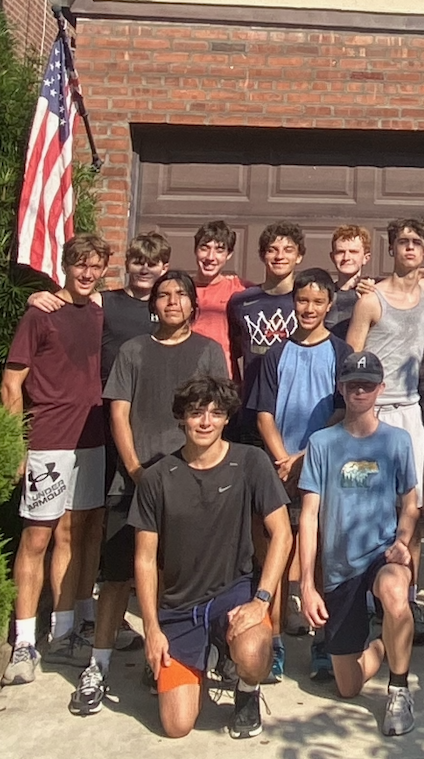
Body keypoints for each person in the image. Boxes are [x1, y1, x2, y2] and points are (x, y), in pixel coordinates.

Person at [73, 270, 228, 716]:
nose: (172, 301)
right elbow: (118, 415)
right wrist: (138, 471)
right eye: (164, 295)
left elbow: (218, 418)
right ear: (152, 304)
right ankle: (97, 668)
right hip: (134, 484)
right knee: (118, 577)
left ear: (194, 305)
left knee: (177, 578)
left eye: (181, 294)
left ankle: (170, 654)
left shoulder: (209, 352)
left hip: (190, 486)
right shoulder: (133, 351)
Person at [24, 229, 171, 653]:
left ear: (165, 268)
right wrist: (42, 295)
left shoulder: (168, 305)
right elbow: (72, 302)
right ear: (127, 265)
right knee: (83, 523)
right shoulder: (107, 302)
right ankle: (76, 615)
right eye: (138, 260)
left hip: (148, 427)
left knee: (116, 523)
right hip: (99, 423)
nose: (146, 269)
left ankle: (111, 611)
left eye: (155, 262)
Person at [131, 373, 289, 740]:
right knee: (177, 726)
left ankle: (247, 691)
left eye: (216, 414)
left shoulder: (250, 461)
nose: (205, 422)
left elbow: (282, 533)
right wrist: (151, 630)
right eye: (196, 413)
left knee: (252, 651)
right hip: (180, 604)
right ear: (181, 418)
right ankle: (208, 658)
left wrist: (261, 601)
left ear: (227, 419)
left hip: (232, 593)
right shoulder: (157, 478)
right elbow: (144, 559)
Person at [1, 234, 111, 685]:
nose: (86, 273)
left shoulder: (103, 312)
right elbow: (11, 384)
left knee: (76, 532)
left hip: (92, 439)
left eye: (95, 265)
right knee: (37, 537)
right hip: (47, 440)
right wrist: (16, 446)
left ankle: (63, 631)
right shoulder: (39, 313)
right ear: (66, 266)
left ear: (104, 268)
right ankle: (24, 642)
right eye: (79, 265)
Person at [298, 350, 420, 737]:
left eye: (368, 385)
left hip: (382, 554)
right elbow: (308, 516)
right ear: (342, 388)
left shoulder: (397, 441)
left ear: (380, 390)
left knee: (396, 593)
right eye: (353, 385)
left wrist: (402, 541)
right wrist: (306, 584)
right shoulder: (321, 443)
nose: (360, 392)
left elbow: (411, 502)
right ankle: (385, 646)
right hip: (339, 567)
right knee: (347, 687)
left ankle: (398, 690)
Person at [347, 217, 424, 640]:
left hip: (409, 412)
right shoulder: (371, 299)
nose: (408, 248)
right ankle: (367, 599)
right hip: (374, 413)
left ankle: (409, 597)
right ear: (390, 248)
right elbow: (350, 361)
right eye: (402, 242)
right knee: (368, 506)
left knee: (412, 507)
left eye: (416, 243)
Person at [251, 267, 351, 663]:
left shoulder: (340, 353)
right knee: (276, 550)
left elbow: (342, 412)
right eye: (302, 300)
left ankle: (323, 642)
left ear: (329, 305)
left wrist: (304, 457)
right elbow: (263, 413)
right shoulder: (276, 353)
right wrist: (282, 459)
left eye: (317, 302)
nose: (308, 309)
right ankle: (273, 641)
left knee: (323, 554)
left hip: (321, 465)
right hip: (279, 467)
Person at [227, 221, 305, 408]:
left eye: (288, 250)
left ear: (299, 256)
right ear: (262, 255)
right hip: (253, 403)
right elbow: (234, 351)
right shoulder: (241, 302)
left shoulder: (308, 301)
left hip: (297, 404)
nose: (280, 256)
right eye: (272, 250)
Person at [191, 221, 250, 374]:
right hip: (186, 374)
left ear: (228, 255)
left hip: (223, 377)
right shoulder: (179, 289)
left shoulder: (240, 289)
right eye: (204, 248)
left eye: (219, 250)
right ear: (195, 250)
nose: (210, 257)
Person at [326, 224, 372, 333]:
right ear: (332, 257)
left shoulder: (371, 293)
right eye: (340, 252)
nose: (346, 258)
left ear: (366, 258)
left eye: (353, 252)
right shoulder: (325, 294)